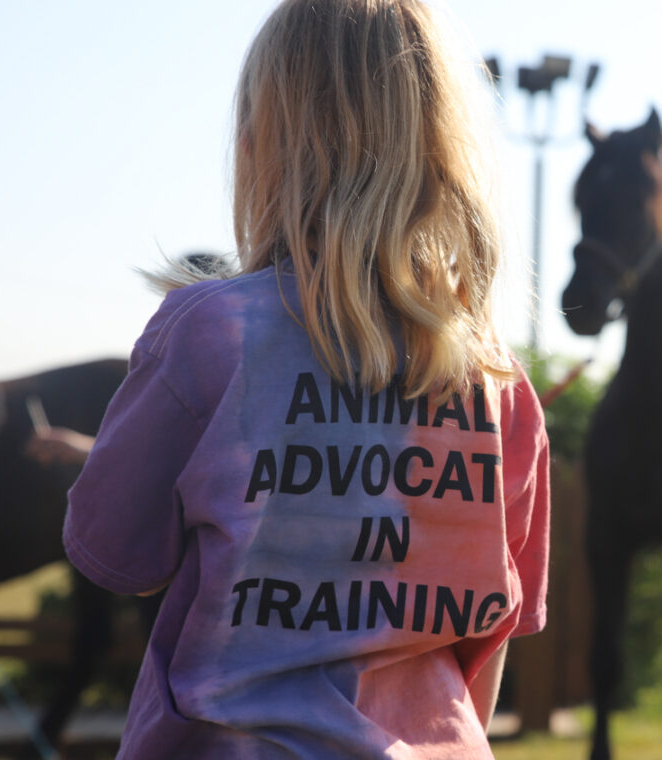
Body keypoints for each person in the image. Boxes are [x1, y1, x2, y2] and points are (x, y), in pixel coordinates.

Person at [62, 1, 550, 757]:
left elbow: (114, 555)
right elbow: (486, 638)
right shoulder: (498, 382)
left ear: (259, 145)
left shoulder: (209, 334)